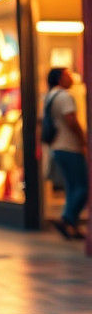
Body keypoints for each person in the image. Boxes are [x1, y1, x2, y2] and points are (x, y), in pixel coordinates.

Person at [45, 67, 88, 240]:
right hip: (69, 146)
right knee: (83, 186)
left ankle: (71, 224)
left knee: (72, 187)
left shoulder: (50, 96)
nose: (71, 78)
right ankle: (67, 218)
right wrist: (83, 138)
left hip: (58, 147)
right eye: (67, 75)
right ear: (60, 78)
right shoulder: (64, 96)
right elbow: (71, 120)